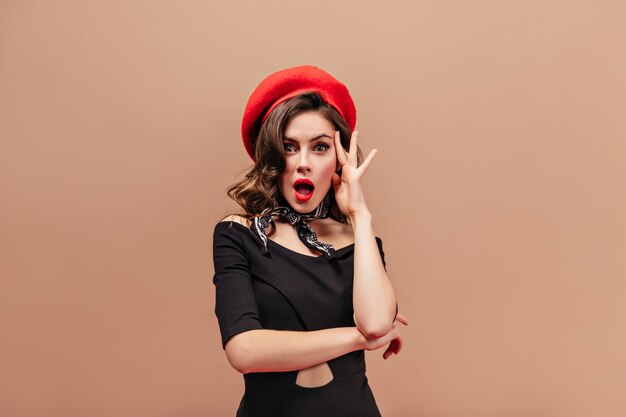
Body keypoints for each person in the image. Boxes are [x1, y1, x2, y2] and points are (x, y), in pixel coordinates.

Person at [212, 65, 409, 417]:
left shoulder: (361, 243)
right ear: (272, 157)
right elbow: (244, 351)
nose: (303, 163)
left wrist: (360, 216)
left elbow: (378, 323)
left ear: (338, 159)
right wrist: (356, 338)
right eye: (289, 147)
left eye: (319, 148)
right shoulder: (238, 234)